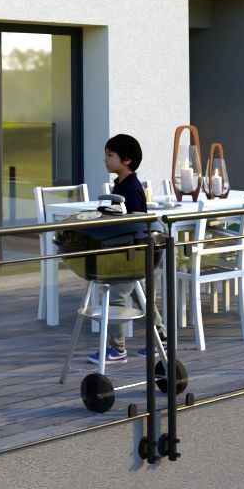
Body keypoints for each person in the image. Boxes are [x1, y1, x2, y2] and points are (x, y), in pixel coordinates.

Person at [94, 133, 148, 362]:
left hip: (131, 253)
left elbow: (136, 221)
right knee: (141, 297)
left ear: (126, 160)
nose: (105, 160)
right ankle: (162, 338)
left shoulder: (132, 188)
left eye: (110, 155)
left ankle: (117, 349)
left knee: (115, 298)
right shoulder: (120, 184)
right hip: (128, 252)